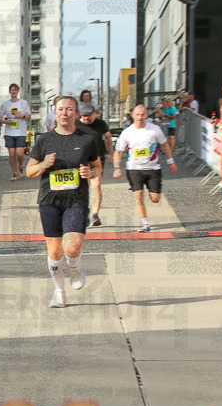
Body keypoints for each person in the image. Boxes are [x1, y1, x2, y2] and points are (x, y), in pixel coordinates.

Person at [26, 96, 101, 309]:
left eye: (69, 109)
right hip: (49, 200)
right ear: (55, 112)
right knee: (55, 252)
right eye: (61, 109)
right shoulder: (44, 140)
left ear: (76, 113)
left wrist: (90, 172)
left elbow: (97, 167)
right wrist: (43, 165)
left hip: (76, 199)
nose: (65, 113)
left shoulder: (88, 139)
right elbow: (29, 171)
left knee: (72, 246)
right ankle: (59, 293)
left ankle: (76, 266)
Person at [112, 103, 177, 233]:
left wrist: (171, 162)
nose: (140, 118)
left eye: (142, 115)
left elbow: (164, 145)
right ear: (132, 116)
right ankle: (145, 224)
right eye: (137, 115)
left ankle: (151, 190)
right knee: (139, 196)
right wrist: (116, 167)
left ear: (146, 115)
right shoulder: (127, 132)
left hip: (153, 168)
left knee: (155, 198)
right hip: (134, 168)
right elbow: (118, 152)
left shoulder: (154, 129)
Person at [76, 102, 112, 227]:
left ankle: (95, 214)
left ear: (94, 114)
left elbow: (108, 138)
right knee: (82, 187)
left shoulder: (100, 124)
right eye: (84, 116)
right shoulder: (75, 125)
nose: (86, 118)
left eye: (89, 115)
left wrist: (111, 154)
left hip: (97, 157)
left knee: (96, 185)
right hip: (81, 158)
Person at [0, 83, 31, 181]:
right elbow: (0, 117)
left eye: (15, 90)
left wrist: (22, 117)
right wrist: (3, 121)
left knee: (20, 153)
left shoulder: (23, 103)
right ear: (9, 91)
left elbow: (28, 116)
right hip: (9, 131)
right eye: (12, 90)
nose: (13, 92)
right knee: (12, 153)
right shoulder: (6, 104)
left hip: (21, 131)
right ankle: (14, 173)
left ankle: (21, 166)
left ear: (17, 92)